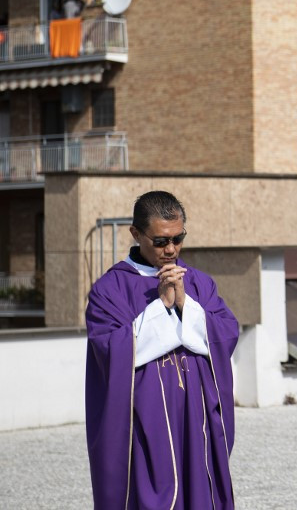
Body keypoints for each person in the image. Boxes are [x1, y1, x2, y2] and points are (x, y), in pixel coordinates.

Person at [85, 191, 239, 509]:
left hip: (196, 418)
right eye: (160, 241)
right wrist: (161, 307)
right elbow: (109, 351)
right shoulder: (109, 290)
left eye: (178, 239)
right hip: (145, 422)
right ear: (136, 233)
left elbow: (226, 333)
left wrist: (184, 304)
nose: (171, 250)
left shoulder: (199, 283)